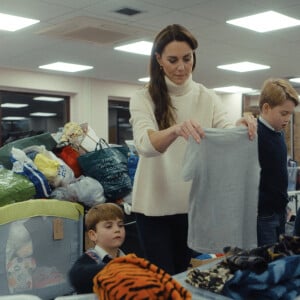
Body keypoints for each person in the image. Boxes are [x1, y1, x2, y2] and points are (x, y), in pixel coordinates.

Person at [129, 24, 257, 275]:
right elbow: (145, 144)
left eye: (187, 59)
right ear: (159, 60)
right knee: (162, 281)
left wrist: (241, 126)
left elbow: (225, 131)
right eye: (173, 60)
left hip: (191, 209)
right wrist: (176, 130)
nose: (181, 67)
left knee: (181, 276)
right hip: (152, 209)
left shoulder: (206, 96)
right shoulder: (143, 97)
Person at [257, 78, 299, 247]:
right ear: (266, 108)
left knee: (280, 257)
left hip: (280, 211)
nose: (288, 119)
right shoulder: (255, 135)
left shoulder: (279, 134)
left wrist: (285, 206)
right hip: (263, 215)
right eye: (283, 113)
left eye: (290, 114)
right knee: (267, 261)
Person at [69, 203, 126, 294]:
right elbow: (76, 275)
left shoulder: (128, 258)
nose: (117, 229)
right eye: (109, 226)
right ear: (93, 235)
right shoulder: (87, 260)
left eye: (120, 225)